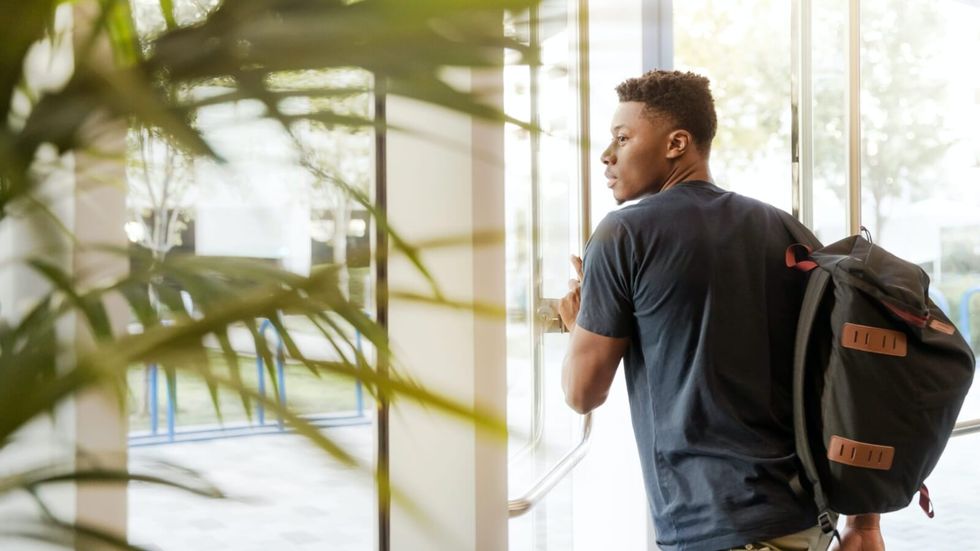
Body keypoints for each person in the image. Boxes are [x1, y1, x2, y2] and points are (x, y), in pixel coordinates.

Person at [557, 70, 885, 551]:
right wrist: (865, 523)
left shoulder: (623, 235)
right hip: (807, 519)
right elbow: (848, 374)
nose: (608, 155)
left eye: (622, 138)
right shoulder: (787, 231)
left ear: (677, 143)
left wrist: (579, 326)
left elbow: (581, 393)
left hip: (718, 526)